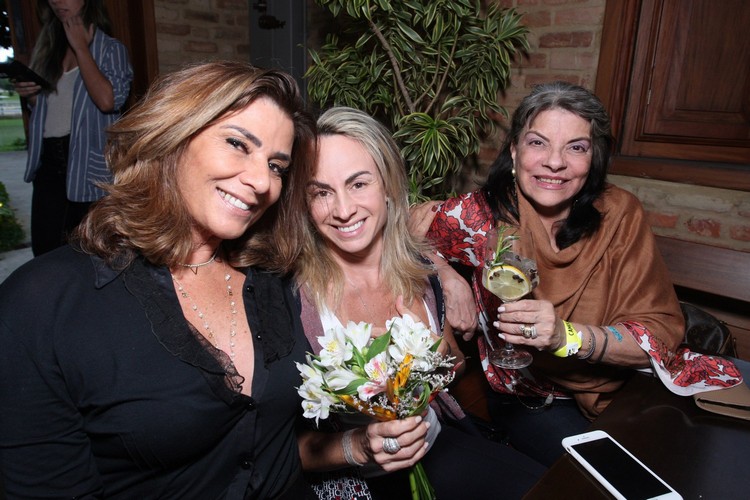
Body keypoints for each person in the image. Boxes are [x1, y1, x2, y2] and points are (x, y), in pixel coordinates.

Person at [0, 61, 317, 498]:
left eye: (277, 166)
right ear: (171, 136)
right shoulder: (42, 304)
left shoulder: (273, 277)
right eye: (237, 144)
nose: (262, 181)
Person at [409, 81, 687, 467]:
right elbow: (407, 229)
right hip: (529, 396)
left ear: (594, 157)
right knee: (605, 477)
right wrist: (447, 276)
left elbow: (661, 336)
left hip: (625, 388)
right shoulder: (481, 214)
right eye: (538, 142)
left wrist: (564, 336)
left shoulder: (620, 213)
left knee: (679, 464)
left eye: (576, 147)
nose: (554, 163)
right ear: (514, 150)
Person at [282, 107, 545, 499]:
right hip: (352, 478)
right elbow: (276, 449)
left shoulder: (423, 273)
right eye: (321, 192)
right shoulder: (289, 299)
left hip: (434, 445)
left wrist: (433, 360)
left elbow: (454, 364)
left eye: (358, 184)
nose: (343, 209)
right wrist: (359, 445)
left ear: (388, 185)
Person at [12, 0, 133, 256]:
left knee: (88, 253)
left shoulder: (110, 49)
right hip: (48, 162)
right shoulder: (48, 48)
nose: (56, 1)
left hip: (86, 163)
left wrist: (80, 48)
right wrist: (31, 95)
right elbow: (52, 110)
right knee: (45, 251)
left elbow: (108, 100)